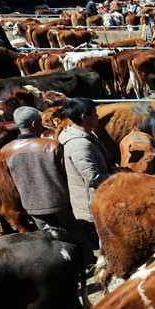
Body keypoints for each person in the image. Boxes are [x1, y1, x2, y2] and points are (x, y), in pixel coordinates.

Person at [0, 106, 81, 236]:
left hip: (31, 206)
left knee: (49, 239)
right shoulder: (52, 146)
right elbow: (67, 173)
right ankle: (87, 257)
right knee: (77, 234)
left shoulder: (5, 151)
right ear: (34, 123)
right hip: (60, 203)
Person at [58, 98, 115, 261]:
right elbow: (92, 178)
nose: (98, 116)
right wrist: (119, 177)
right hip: (93, 199)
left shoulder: (88, 135)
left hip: (98, 196)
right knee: (105, 237)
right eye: (95, 113)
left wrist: (117, 170)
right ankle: (107, 265)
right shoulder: (80, 144)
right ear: (85, 117)